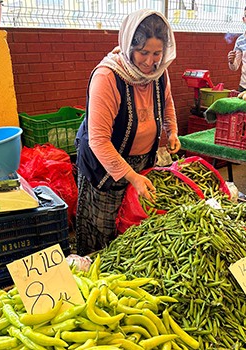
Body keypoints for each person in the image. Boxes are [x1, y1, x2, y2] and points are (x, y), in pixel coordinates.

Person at [75, 9, 180, 256]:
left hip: (142, 164)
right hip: (105, 165)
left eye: (156, 53)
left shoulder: (159, 72)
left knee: (132, 226)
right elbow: (99, 140)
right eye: (143, 52)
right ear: (128, 44)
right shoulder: (108, 76)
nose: (149, 61)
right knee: (102, 228)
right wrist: (130, 176)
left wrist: (172, 131)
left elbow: (167, 103)